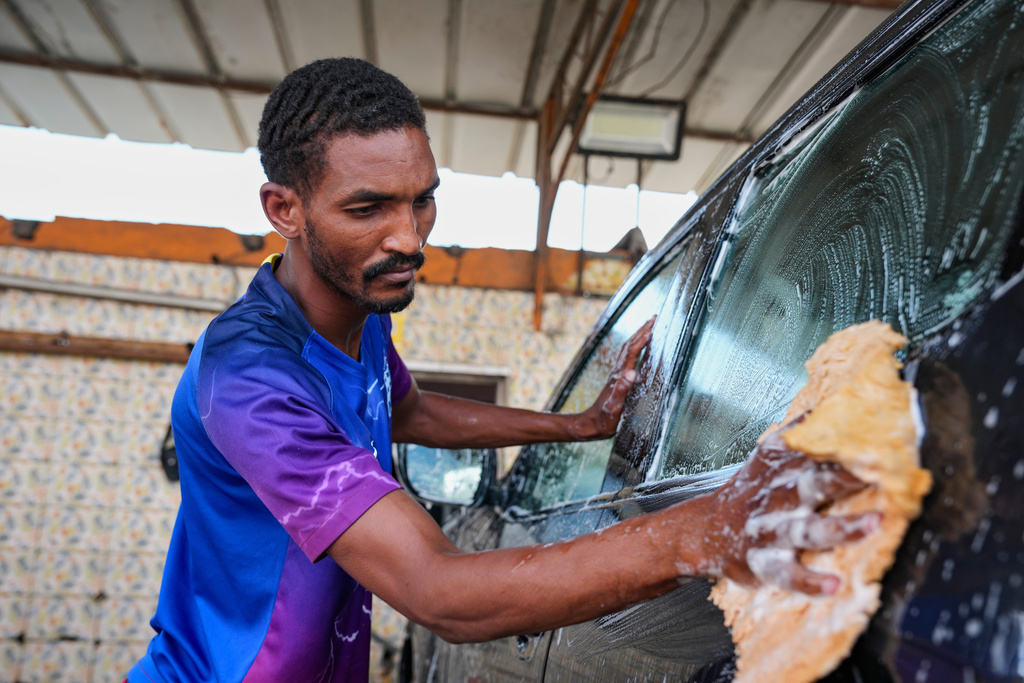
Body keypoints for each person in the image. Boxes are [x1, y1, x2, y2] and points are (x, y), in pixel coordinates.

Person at [128, 57, 878, 683]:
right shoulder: (250, 377)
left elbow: (409, 411)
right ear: (284, 208)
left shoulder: (356, 311)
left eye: (423, 202)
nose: (408, 237)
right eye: (368, 208)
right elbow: (436, 590)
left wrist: (582, 425)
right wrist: (703, 528)